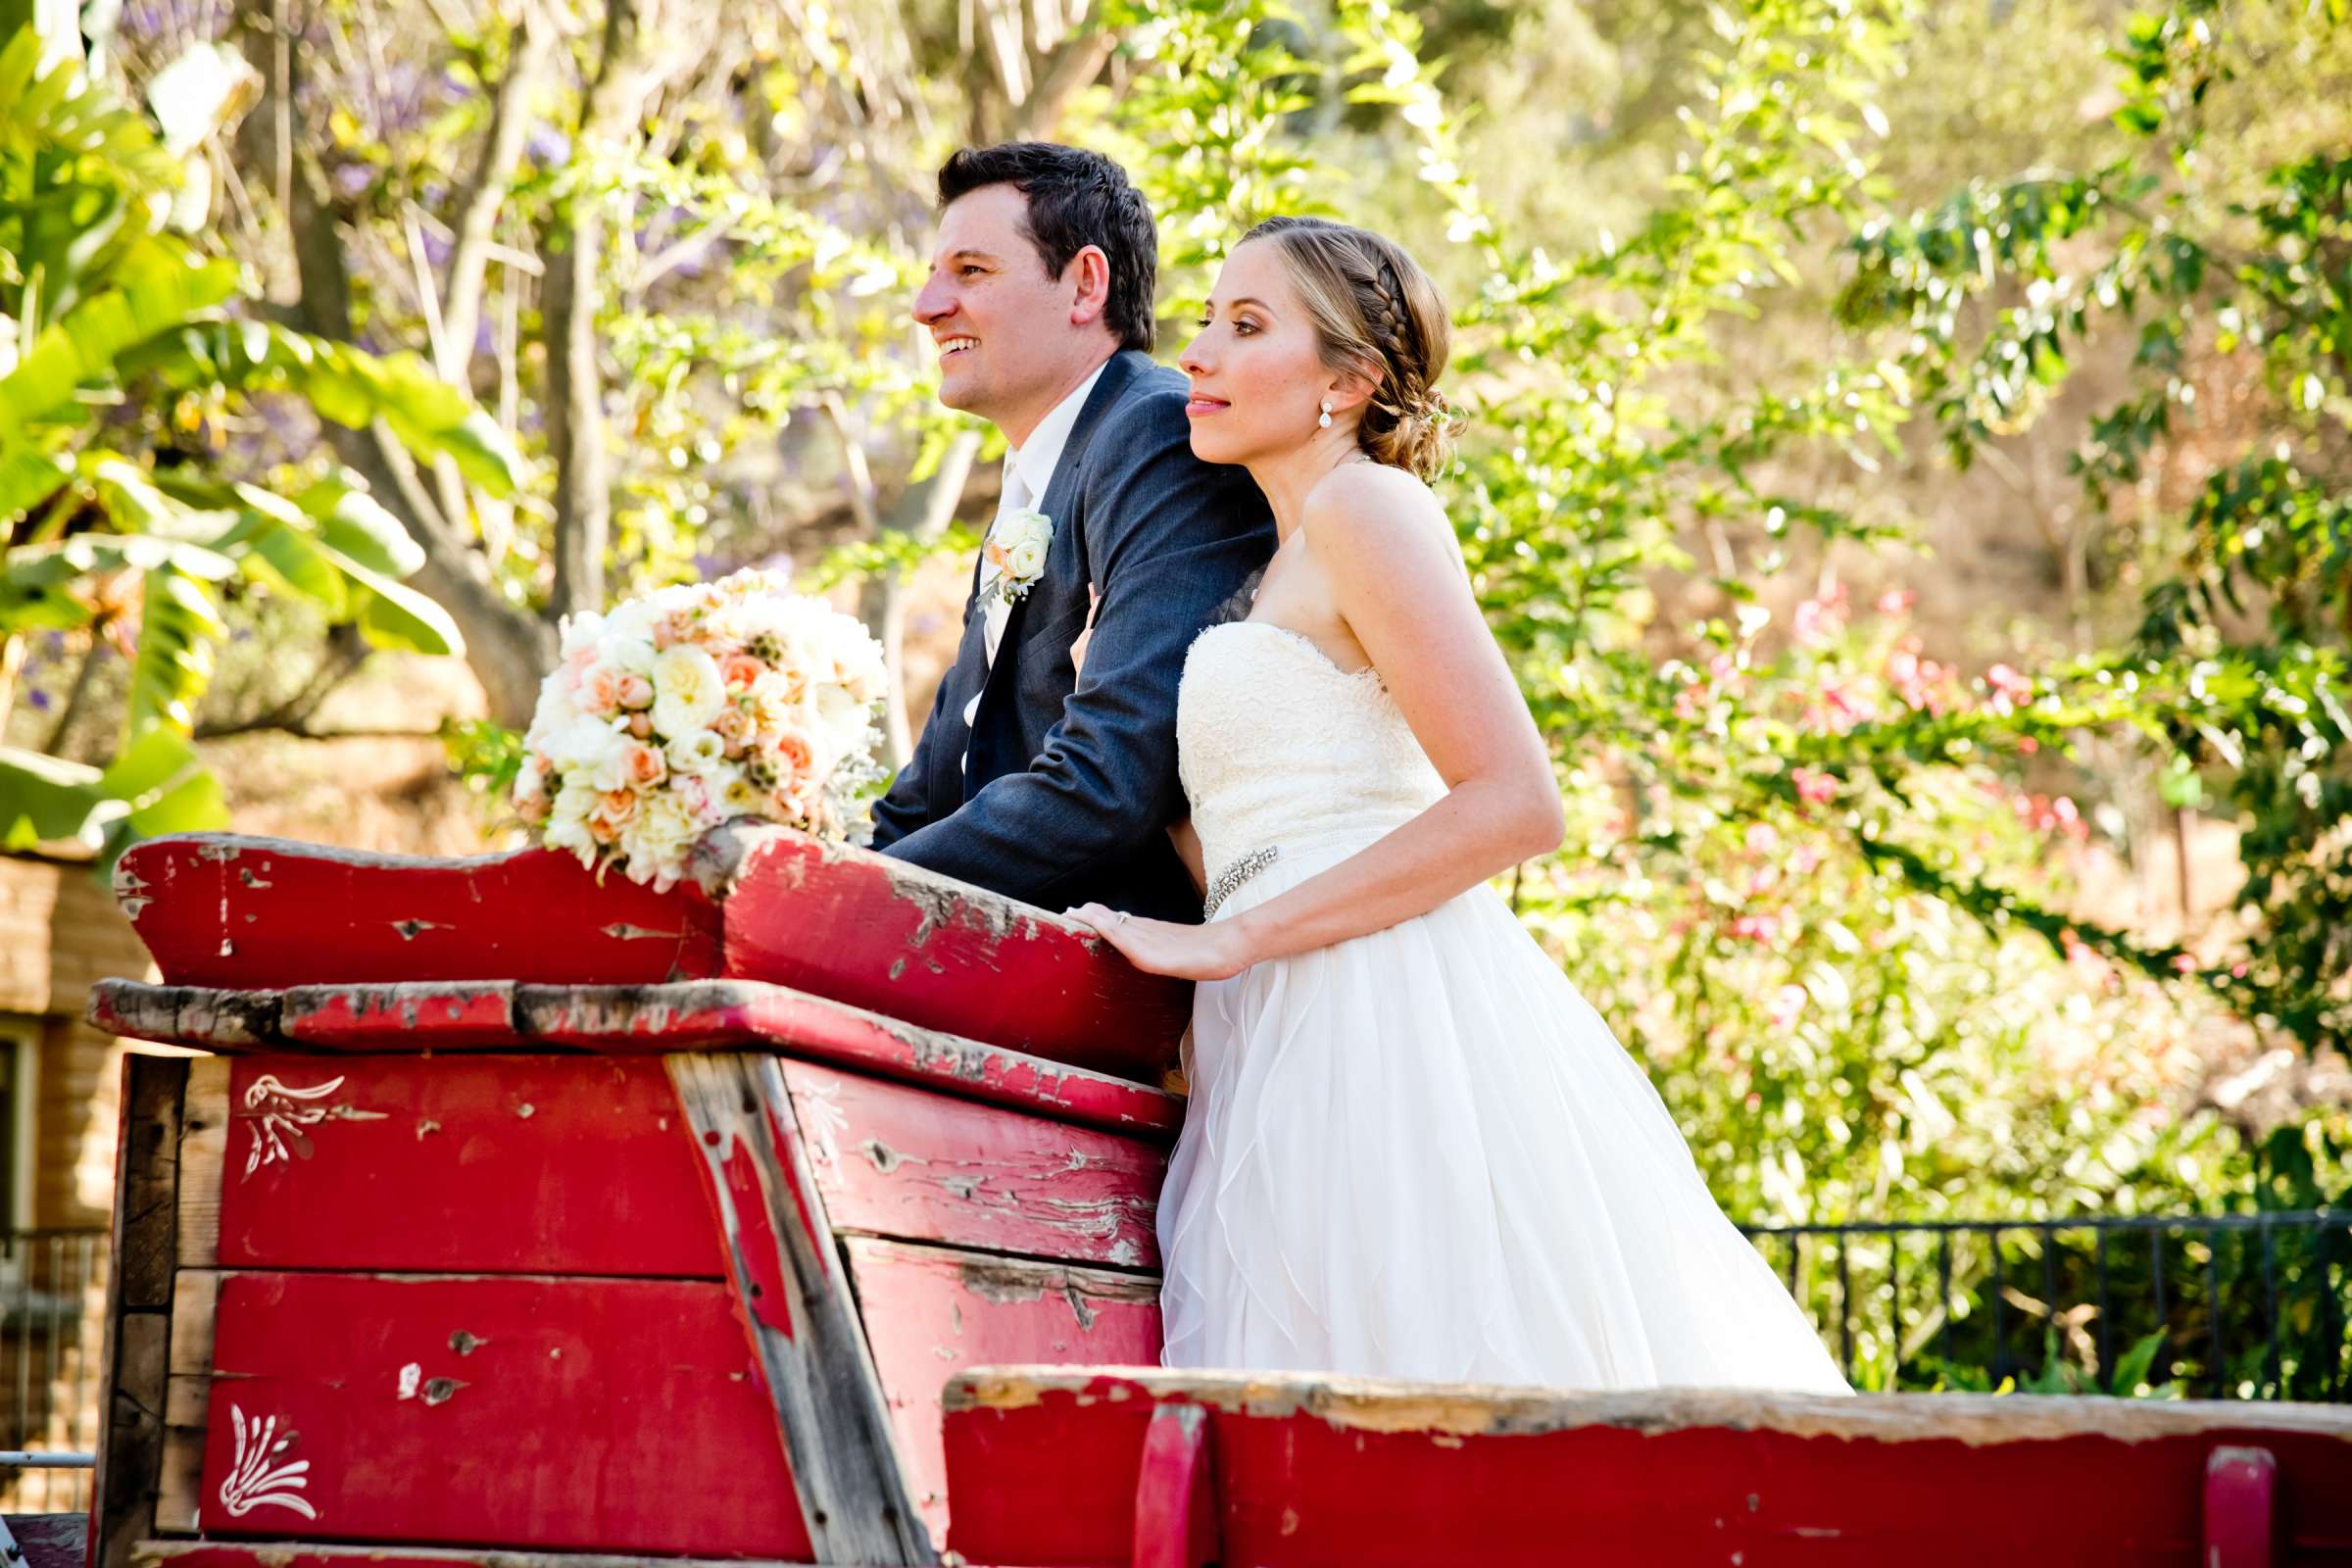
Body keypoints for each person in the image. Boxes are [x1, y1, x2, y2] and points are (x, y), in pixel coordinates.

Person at [1070, 216, 1851, 1394]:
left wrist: (1231, 939)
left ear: (1349, 379)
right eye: (1204, 323)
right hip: (1278, 1016)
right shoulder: (1273, 562)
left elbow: (1517, 804)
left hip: (1384, 1009)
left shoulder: (1367, 511)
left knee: (1440, 1378)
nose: (1200, 355)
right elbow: (1250, 832)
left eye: (1246, 325)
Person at [867, 143, 1276, 924]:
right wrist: (814, 864)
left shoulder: (1155, 437)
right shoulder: (1035, 473)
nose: (926, 306)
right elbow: (933, 784)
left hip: (1110, 973)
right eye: (931, 274)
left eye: (971, 271)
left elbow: (1109, 779)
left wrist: (859, 894)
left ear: (1085, 284)